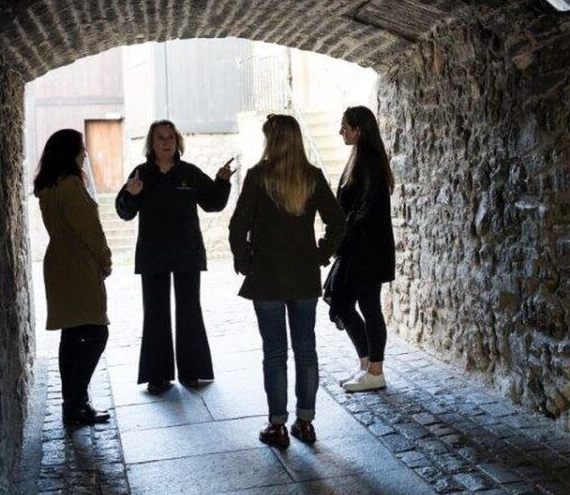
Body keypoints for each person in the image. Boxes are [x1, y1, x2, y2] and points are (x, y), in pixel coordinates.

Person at [229, 114, 345, 448]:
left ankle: (277, 425)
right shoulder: (312, 177)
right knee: (306, 349)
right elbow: (337, 222)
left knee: (275, 351)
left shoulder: (258, 177)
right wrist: (320, 255)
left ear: (272, 140)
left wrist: (244, 259)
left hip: (267, 276)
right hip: (304, 275)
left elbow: (238, 226)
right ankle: (305, 422)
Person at [116, 120, 233, 393]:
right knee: (155, 313)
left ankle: (192, 371)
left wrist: (222, 181)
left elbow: (212, 203)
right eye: (160, 138)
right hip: (153, 254)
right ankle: (158, 374)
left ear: (177, 141)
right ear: (151, 143)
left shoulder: (189, 173)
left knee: (189, 311)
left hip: (186, 251)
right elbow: (124, 212)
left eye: (170, 137)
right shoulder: (141, 173)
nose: (166, 142)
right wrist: (131, 196)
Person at [34, 129, 113, 425]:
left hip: (59, 263)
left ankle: (74, 405)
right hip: (77, 264)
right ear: (71, 152)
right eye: (82, 148)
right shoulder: (70, 186)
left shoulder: (49, 186)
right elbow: (89, 229)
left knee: (72, 334)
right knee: (95, 332)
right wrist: (105, 260)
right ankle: (77, 401)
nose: (85, 153)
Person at [326, 106, 396, 393]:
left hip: (367, 249)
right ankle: (367, 364)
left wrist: (336, 244)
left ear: (359, 130)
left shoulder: (369, 163)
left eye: (345, 126)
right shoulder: (360, 159)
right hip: (357, 248)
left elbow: (361, 212)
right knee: (341, 303)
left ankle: (375, 370)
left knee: (368, 307)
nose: (341, 131)